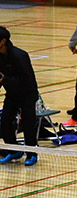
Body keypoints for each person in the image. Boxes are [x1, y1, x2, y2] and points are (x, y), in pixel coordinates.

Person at [0, 26, 39, 166]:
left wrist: (5, 80)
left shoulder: (19, 55)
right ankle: (14, 150)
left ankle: (32, 154)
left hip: (27, 94)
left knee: (28, 124)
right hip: (12, 94)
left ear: (3, 41)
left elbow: (27, 79)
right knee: (4, 122)